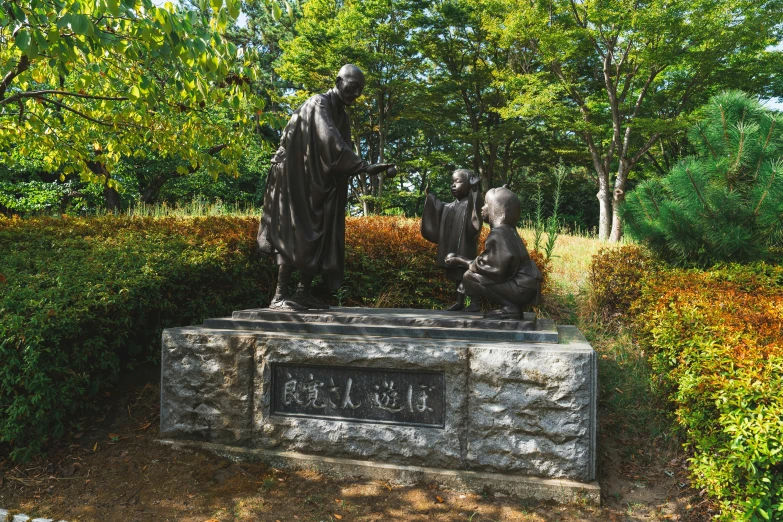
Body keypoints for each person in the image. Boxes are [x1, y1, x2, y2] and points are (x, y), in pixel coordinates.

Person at [257, 65, 394, 311]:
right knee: (295, 230)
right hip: (292, 177)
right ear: (339, 81)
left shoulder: (342, 114)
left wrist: (359, 167)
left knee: (323, 229)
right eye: (352, 88)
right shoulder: (318, 103)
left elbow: (339, 149)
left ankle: (302, 293)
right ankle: (279, 296)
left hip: (318, 182)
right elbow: (329, 140)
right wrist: (363, 166)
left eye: (359, 92)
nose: (355, 95)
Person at [444, 185, 542, 319]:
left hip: (521, 288)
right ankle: (512, 307)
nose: (482, 208)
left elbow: (490, 267)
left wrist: (459, 260)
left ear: (496, 210)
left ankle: (510, 308)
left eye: (486, 204)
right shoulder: (509, 231)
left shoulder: (499, 233)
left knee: (470, 277)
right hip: (525, 285)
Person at [420, 169, 483, 311]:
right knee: (457, 274)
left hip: (466, 245)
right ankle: (459, 301)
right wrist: (430, 197)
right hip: (453, 246)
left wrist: (475, 189)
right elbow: (437, 210)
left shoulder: (470, 203)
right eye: (452, 182)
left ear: (468, 183)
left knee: (470, 272)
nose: (453, 185)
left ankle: (474, 302)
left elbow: (476, 210)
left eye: (458, 181)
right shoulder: (449, 206)